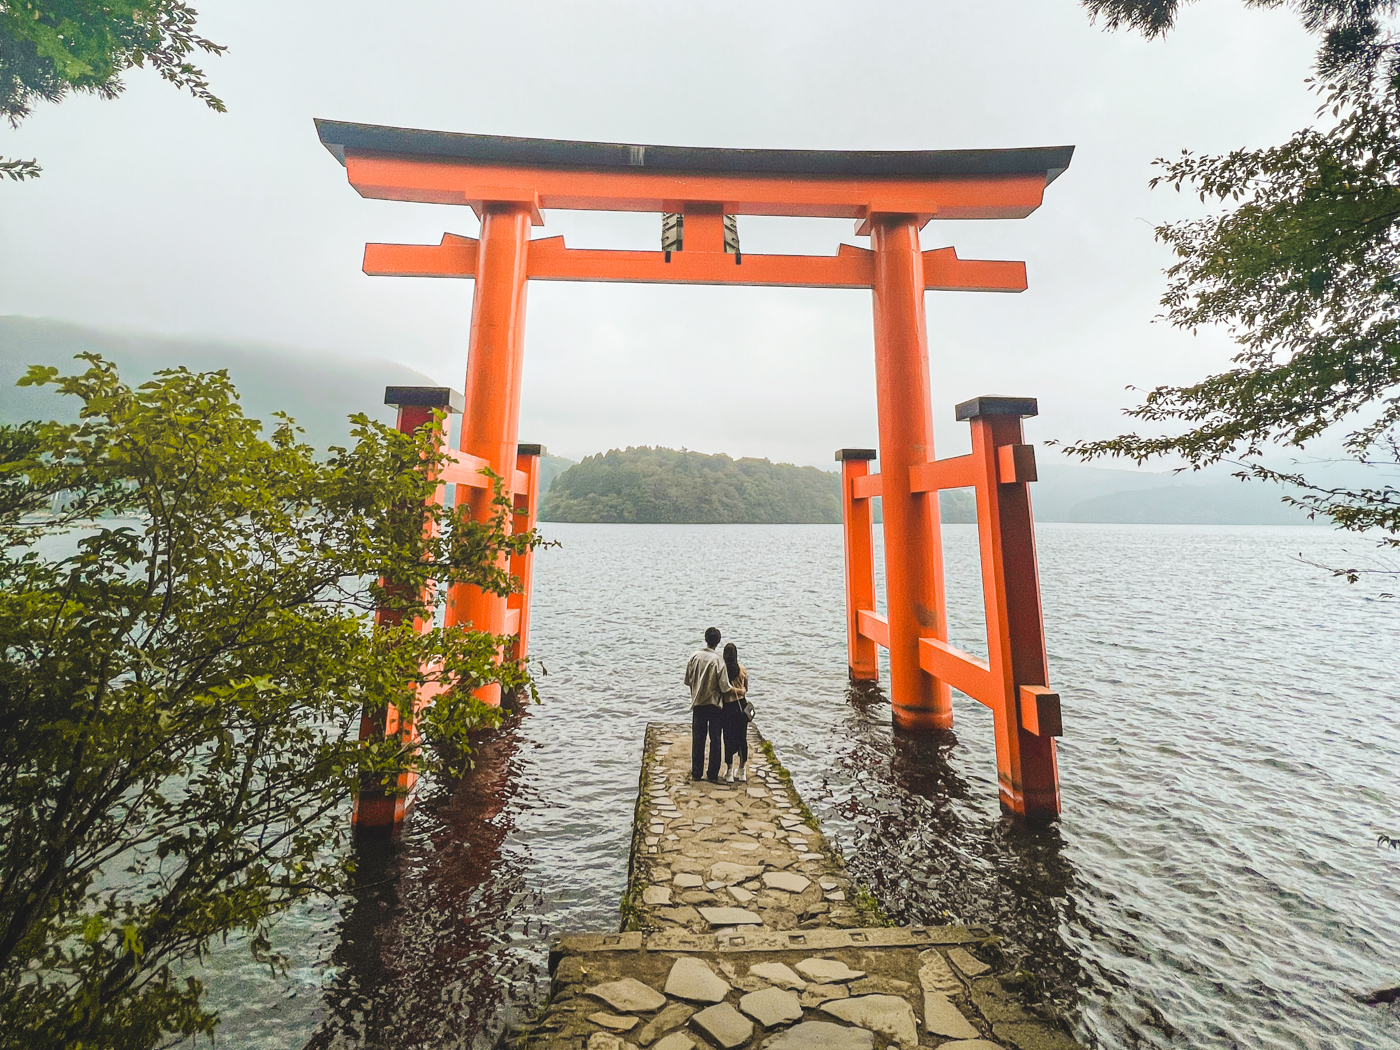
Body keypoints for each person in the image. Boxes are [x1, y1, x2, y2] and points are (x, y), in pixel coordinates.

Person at [685, 626, 731, 783]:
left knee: (698, 739)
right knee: (715, 739)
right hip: (714, 705)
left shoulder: (694, 657)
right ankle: (712, 773)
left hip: (698, 703)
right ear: (718, 642)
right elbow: (724, 687)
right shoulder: (719, 661)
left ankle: (696, 772)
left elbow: (688, 680)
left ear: (705, 639)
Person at [719, 642, 749, 783]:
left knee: (728, 738)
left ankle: (729, 771)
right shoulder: (742, 669)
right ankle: (742, 770)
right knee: (742, 738)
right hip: (741, 706)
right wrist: (741, 691)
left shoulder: (722, 671)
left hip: (728, 707)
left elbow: (721, 690)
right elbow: (746, 688)